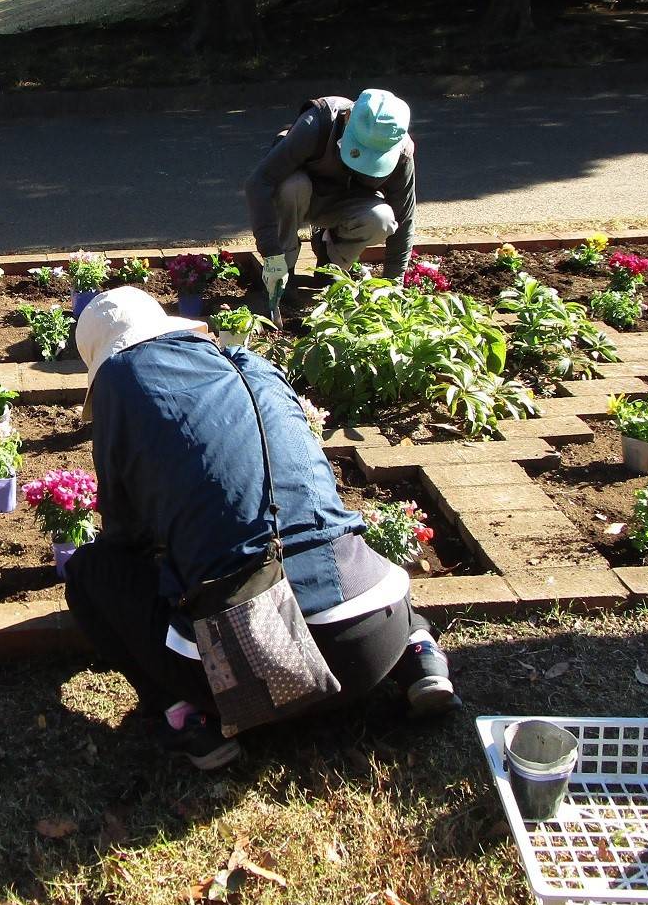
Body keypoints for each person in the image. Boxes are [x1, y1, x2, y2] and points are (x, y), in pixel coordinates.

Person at [64, 288, 456, 769]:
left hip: (258, 675)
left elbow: (125, 535)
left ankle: (186, 715)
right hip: (372, 638)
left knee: (92, 571)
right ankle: (419, 655)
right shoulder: (253, 364)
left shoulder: (121, 380)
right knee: (329, 535)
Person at [246, 89, 417, 305]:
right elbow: (259, 182)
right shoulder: (317, 124)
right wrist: (272, 254)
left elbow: (405, 217)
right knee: (290, 185)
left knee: (381, 219)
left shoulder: (401, 153)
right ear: (347, 117)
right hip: (303, 199)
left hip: (348, 206)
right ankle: (284, 272)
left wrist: (394, 284)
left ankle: (331, 265)